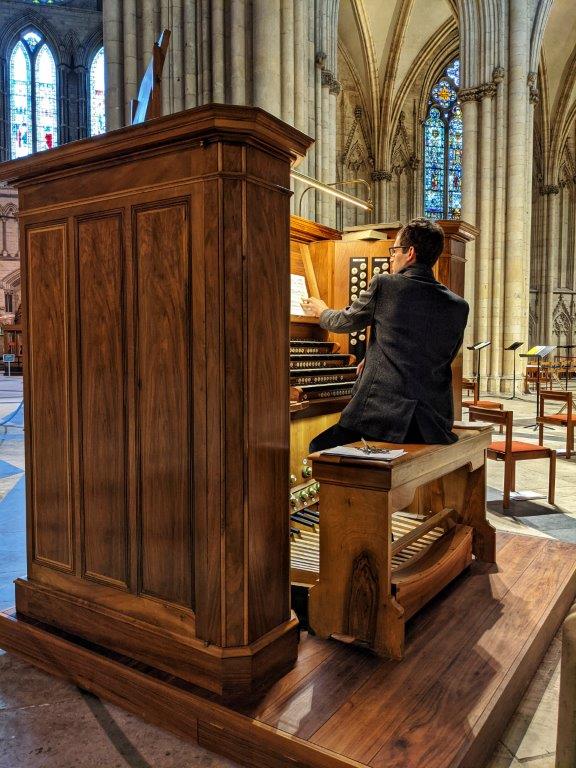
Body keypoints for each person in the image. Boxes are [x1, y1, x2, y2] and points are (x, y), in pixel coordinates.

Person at [301, 217, 469, 453]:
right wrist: (374, 357)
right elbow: (437, 355)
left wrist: (321, 311)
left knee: (319, 447)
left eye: (395, 250)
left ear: (410, 253)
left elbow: (344, 322)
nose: (392, 256)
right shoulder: (458, 305)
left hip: (385, 418)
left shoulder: (386, 284)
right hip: (433, 423)